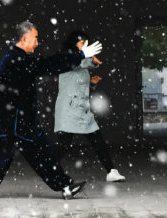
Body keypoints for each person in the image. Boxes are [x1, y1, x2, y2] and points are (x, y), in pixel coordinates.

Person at [0, 21, 102, 200]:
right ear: (24, 39)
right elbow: (48, 64)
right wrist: (80, 55)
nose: (37, 43)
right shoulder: (18, 58)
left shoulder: (10, 58)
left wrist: (9, 99)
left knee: (26, 156)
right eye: (35, 38)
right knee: (24, 157)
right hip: (17, 122)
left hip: (13, 120)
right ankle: (65, 187)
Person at [54, 30, 125, 182]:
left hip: (82, 110)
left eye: (87, 43)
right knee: (63, 145)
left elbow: (78, 84)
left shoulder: (81, 64)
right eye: (82, 43)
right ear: (73, 44)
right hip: (69, 110)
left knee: (97, 140)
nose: (85, 46)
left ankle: (111, 171)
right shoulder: (67, 59)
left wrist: (91, 84)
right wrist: (92, 61)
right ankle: (47, 167)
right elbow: (78, 63)